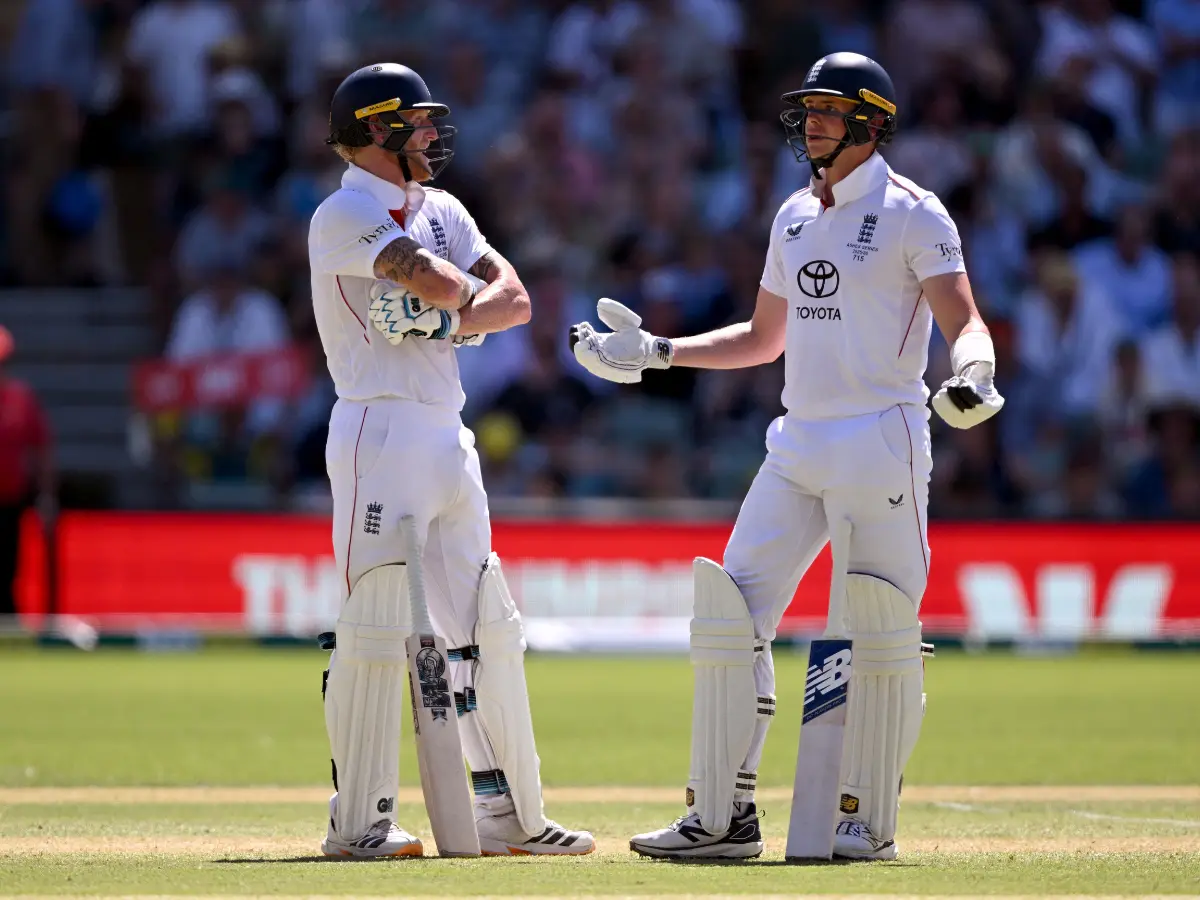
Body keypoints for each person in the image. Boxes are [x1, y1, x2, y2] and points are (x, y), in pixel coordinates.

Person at [569, 52, 1005, 860]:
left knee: (881, 631)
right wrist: (659, 351)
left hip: (882, 438)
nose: (812, 124)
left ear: (871, 123)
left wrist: (974, 371)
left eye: (831, 111)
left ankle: (863, 822)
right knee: (728, 615)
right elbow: (765, 339)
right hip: (797, 438)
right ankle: (721, 818)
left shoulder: (917, 212)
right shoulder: (793, 215)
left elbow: (965, 319)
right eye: (808, 110)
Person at [309, 63, 594, 859]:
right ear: (377, 130)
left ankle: (511, 816)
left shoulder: (443, 208)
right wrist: (461, 305)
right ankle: (358, 822)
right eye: (419, 123)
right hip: (378, 428)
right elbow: (444, 281)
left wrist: (442, 320)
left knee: (485, 628)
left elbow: (518, 298)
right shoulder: (342, 213)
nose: (434, 135)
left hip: (445, 429)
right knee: (372, 627)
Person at [0, 325, 55, 622]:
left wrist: (46, 495)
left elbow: (42, 450)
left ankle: (8, 627)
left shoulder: (21, 400)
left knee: (8, 569)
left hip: (10, 503)